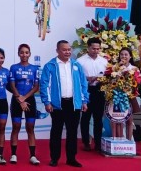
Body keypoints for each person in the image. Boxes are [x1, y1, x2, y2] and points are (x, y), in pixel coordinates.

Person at [40, 40, 89, 168]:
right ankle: (54, 158)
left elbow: (83, 85)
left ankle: (71, 158)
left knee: (72, 132)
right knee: (56, 132)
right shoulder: (50, 66)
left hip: (74, 103)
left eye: (69, 49)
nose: (67, 52)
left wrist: (84, 101)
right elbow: (44, 85)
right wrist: (47, 102)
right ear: (57, 51)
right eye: (64, 50)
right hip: (57, 104)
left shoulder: (76, 65)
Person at [9, 44, 40, 165]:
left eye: (27, 52)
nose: (24, 55)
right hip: (16, 100)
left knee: (30, 128)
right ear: (18, 54)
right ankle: (13, 154)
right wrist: (19, 99)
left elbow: (36, 86)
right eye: (22, 52)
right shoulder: (14, 67)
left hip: (30, 100)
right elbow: (12, 85)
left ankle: (32, 156)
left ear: (30, 54)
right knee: (16, 127)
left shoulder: (34, 68)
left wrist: (25, 98)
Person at [77, 37, 108, 151]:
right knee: (85, 117)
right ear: (88, 48)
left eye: (98, 49)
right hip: (86, 90)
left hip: (99, 91)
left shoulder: (104, 61)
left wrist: (101, 79)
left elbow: (108, 76)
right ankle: (86, 142)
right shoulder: (80, 61)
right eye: (93, 48)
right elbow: (76, 77)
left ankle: (98, 144)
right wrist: (87, 79)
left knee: (98, 118)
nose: (95, 51)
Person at [112, 47, 140, 140]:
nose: (123, 56)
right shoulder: (115, 67)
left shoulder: (134, 68)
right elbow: (111, 81)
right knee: (118, 119)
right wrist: (118, 69)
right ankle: (118, 140)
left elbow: (138, 82)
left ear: (130, 56)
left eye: (126, 54)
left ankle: (129, 141)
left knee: (129, 120)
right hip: (118, 96)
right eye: (122, 54)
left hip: (129, 96)